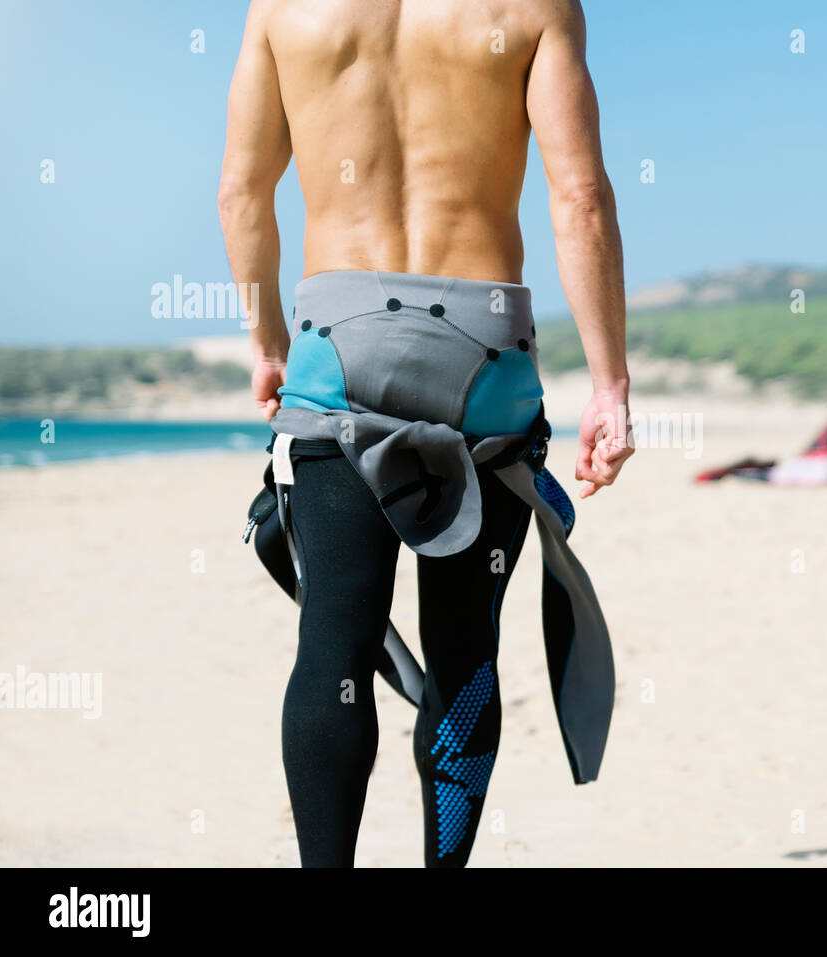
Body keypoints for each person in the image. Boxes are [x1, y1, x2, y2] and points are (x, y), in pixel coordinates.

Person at [217, 0, 632, 868]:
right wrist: (610, 384)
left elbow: (242, 190)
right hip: (483, 349)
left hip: (337, 343)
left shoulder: (283, 9)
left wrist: (267, 345)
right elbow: (581, 197)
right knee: (464, 645)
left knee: (333, 639)